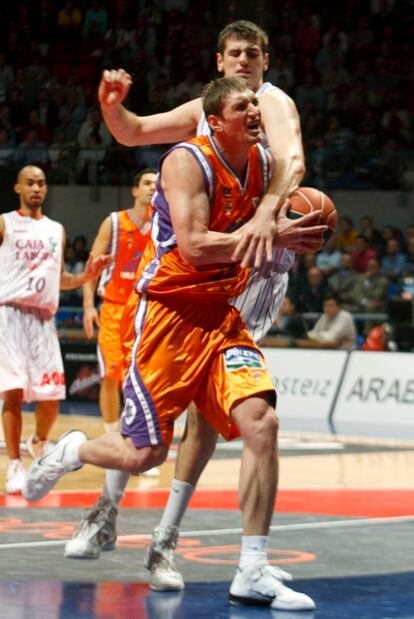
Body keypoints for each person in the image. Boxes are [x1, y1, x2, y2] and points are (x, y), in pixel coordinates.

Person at [24, 78, 316, 612]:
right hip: (169, 317)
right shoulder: (185, 162)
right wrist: (270, 234)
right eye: (242, 105)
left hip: (222, 317)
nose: (255, 109)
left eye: (256, 102)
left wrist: (293, 221)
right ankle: (72, 450)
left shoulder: (264, 161)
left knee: (262, 423)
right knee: (146, 451)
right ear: (216, 120)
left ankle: (252, 567)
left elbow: (291, 175)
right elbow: (196, 245)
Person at [0, 165, 111, 494]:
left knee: (50, 400)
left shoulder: (56, 230)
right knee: (14, 394)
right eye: (30, 183)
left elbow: (58, 278)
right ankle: (15, 465)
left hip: (44, 318)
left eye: (42, 183)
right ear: (17, 188)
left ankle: (39, 441)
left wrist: (86, 276)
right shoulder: (5, 223)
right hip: (10, 314)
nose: (37, 188)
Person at [81, 168, 156, 435]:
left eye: (157, 185)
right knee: (111, 375)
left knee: (143, 378)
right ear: (135, 190)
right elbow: (92, 269)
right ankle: (112, 436)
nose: (152, 188)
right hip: (114, 309)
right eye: (147, 183)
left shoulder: (163, 226)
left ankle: (140, 436)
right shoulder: (113, 222)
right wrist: (89, 306)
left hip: (148, 310)